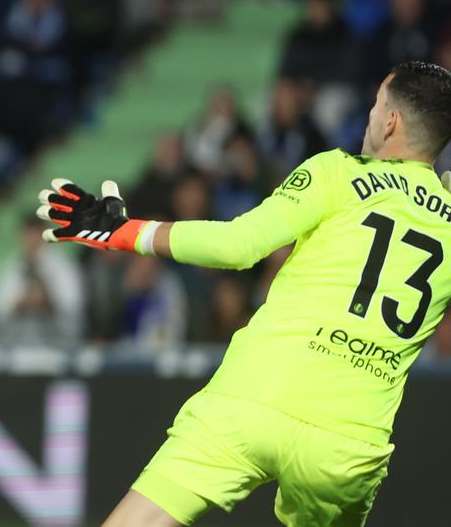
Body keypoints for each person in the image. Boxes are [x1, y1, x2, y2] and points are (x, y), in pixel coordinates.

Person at [37, 61, 451, 527]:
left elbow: (239, 245)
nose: (371, 116)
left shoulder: (340, 172)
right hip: (348, 439)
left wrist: (123, 231)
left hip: (257, 393)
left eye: (377, 105)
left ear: (391, 120)